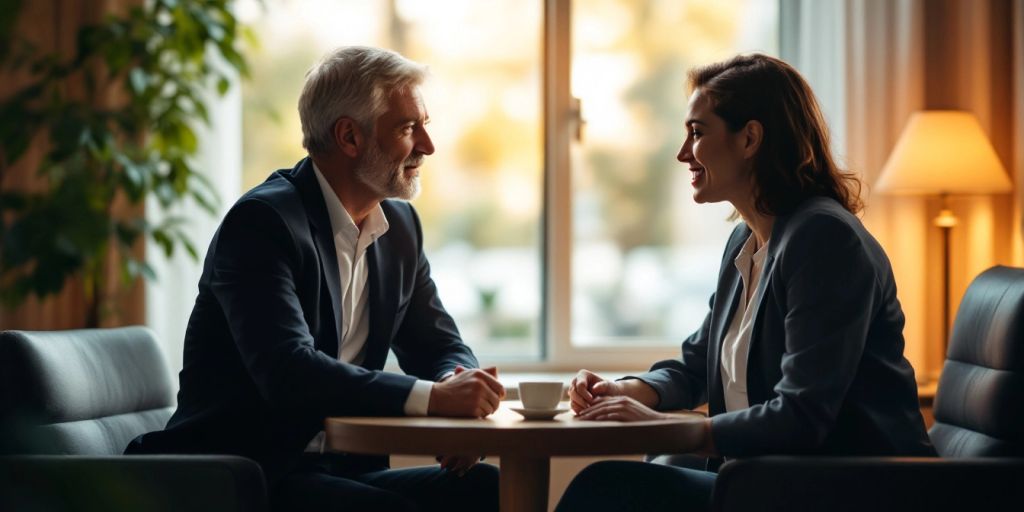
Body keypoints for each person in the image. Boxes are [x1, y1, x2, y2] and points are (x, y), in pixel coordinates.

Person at [126, 46, 504, 512]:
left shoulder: (400, 228)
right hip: (246, 476)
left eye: (425, 125)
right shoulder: (263, 222)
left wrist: (457, 388)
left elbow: (438, 344)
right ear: (349, 136)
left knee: (487, 489)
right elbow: (288, 372)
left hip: (346, 470)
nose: (428, 145)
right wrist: (436, 400)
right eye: (408, 128)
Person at [556, 53, 935, 512]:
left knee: (608, 487)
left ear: (750, 138)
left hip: (847, 486)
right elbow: (697, 366)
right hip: (769, 475)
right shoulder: (748, 239)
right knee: (658, 463)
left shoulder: (824, 239)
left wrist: (666, 426)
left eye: (697, 133)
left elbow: (802, 415)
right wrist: (626, 390)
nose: (682, 153)